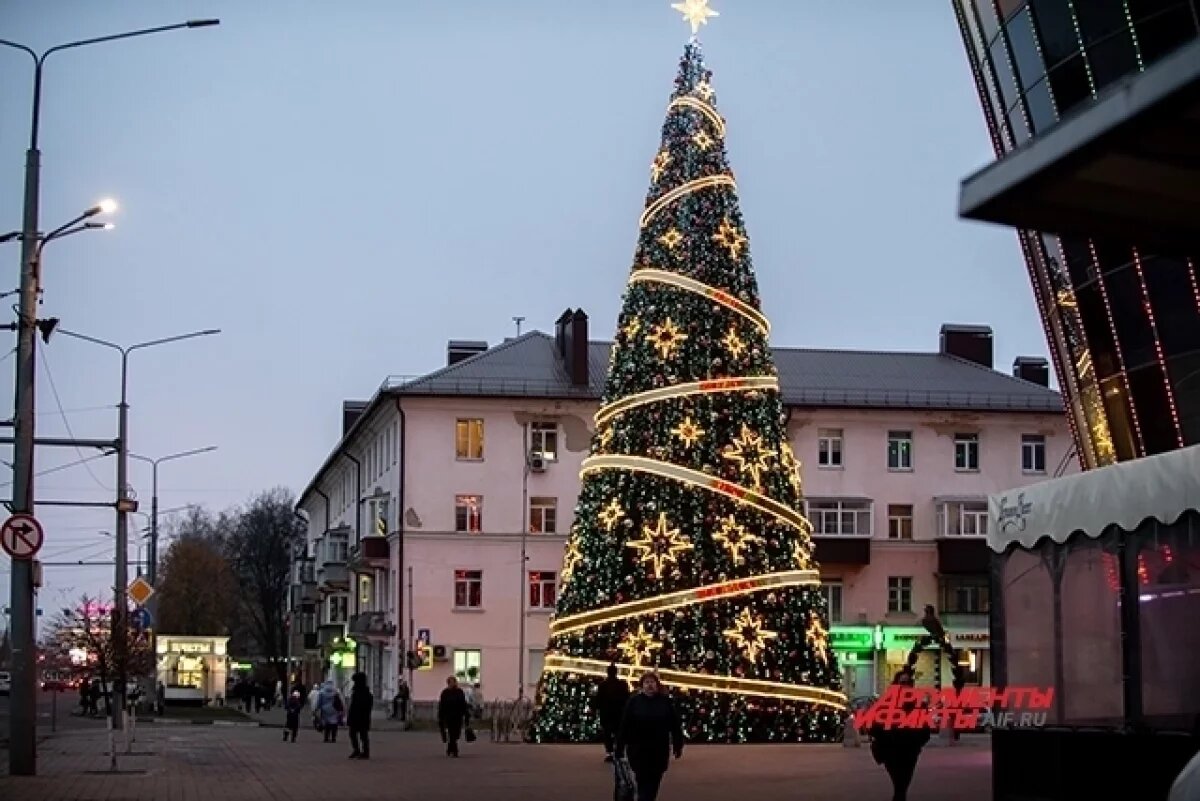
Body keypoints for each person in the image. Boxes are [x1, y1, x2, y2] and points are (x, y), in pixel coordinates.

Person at [615, 671, 684, 801]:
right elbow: (625, 725)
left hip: (659, 749)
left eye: (652, 682)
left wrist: (678, 744)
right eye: (646, 682)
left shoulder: (665, 702)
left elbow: (674, 724)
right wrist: (619, 747)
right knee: (642, 780)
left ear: (657, 685)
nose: (649, 685)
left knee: (654, 781)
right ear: (642, 685)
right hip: (638, 749)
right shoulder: (634, 702)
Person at [869, 670, 931, 801]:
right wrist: (884, 738)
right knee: (899, 784)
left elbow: (926, 728)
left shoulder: (918, 704)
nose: (906, 685)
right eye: (903, 682)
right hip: (891, 752)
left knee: (903, 784)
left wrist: (918, 742)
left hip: (910, 752)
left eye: (908, 682)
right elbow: (874, 725)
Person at [595, 663, 631, 762]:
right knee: (620, 734)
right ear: (616, 672)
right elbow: (627, 698)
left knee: (607, 734)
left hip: (606, 713)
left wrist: (596, 709)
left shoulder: (602, 685)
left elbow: (598, 699)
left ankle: (609, 752)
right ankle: (619, 752)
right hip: (619, 713)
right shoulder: (622, 684)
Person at [437, 676, 470, 757]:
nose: (453, 684)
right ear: (448, 683)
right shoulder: (445, 693)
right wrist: (441, 717)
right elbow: (442, 705)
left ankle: (449, 748)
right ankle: (455, 751)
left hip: (458, 716)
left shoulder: (459, 692)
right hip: (449, 716)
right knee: (452, 733)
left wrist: (466, 714)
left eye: (454, 682)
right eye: (451, 682)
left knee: (457, 734)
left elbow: (463, 704)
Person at [348, 672, 373, 760]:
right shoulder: (358, 691)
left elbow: (365, 706)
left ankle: (365, 752)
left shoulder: (364, 693)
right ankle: (357, 750)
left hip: (361, 717)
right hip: (357, 717)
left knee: (363, 735)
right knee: (353, 734)